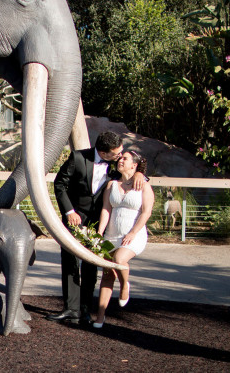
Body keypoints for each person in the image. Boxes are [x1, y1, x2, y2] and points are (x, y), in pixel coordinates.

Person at [47, 131, 145, 325]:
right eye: (116, 153)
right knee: (70, 262)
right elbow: (60, 184)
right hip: (74, 219)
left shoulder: (117, 165)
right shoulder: (78, 157)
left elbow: (135, 167)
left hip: (99, 223)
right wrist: (69, 212)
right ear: (104, 151)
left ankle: (85, 310)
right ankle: (70, 309)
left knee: (91, 265)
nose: (120, 155)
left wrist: (141, 172)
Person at [92, 150, 154, 329]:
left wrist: (133, 232)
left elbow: (146, 212)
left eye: (125, 159)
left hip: (133, 234)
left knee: (119, 260)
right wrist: (100, 233)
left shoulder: (143, 184)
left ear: (134, 165)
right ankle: (100, 317)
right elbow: (106, 209)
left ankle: (125, 284)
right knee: (107, 274)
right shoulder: (112, 184)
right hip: (112, 234)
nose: (120, 160)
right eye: (120, 158)